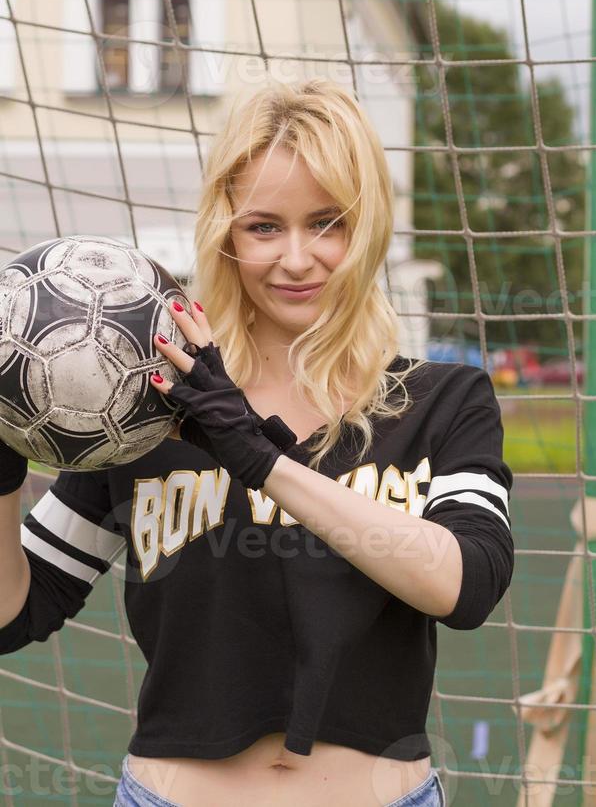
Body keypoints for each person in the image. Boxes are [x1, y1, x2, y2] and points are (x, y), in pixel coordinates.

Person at [0, 79, 514, 807]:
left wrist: (260, 459)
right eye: (265, 226)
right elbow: (17, 611)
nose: (297, 260)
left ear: (367, 228)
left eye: (328, 223)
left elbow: (466, 585)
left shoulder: (442, 401)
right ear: (226, 233)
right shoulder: (147, 402)